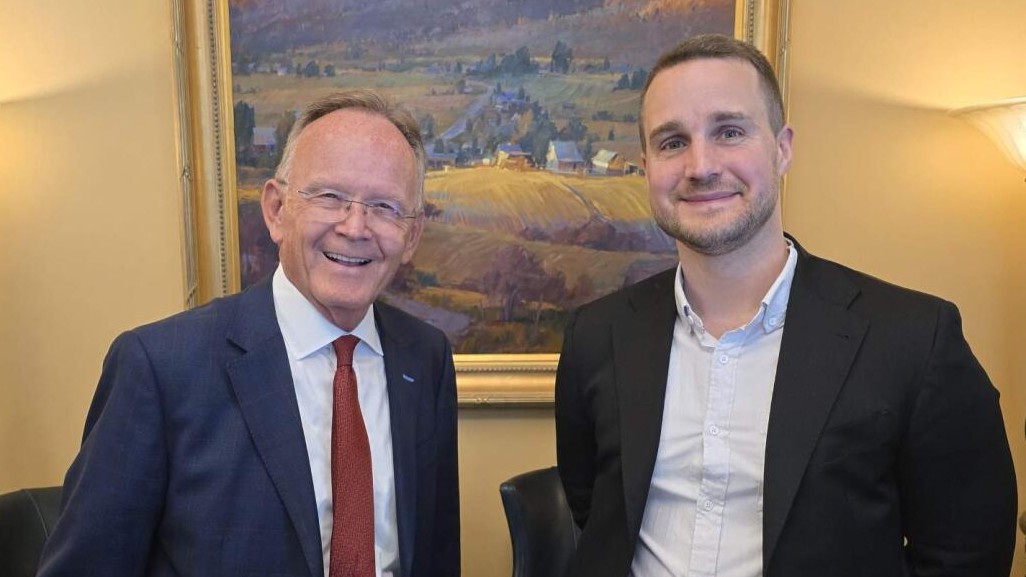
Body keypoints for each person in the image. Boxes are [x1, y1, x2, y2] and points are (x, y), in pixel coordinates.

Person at [555, 34, 1016, 577]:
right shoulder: (596, 336)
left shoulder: (914, 340)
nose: (700, 165)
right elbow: (595, 511)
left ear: (782, 148)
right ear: (647, 166)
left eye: (730, 131)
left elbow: (966, 552)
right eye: (672, 142)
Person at [37, 90, 460, 577]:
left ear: (412, 235)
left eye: (385, 206)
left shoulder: (424, 358)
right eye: (330, 197)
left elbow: (435, 553)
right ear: (277, 210)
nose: (355, 227)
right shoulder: (160, 367)